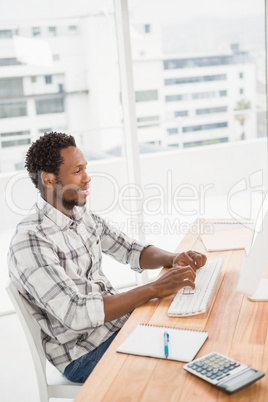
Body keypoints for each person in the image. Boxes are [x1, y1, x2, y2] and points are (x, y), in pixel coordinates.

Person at [8, 132, 207, 383]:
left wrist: (174, 257)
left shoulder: (81, 216)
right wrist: (155, 288)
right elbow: (77, 313)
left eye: (85, 169)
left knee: (196, 332)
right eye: (77, 171)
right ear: (49, 179)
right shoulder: (31, 241)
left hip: (117, 326)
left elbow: (131, 249)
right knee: (181, 366)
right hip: (84, 354)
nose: (87, 178)